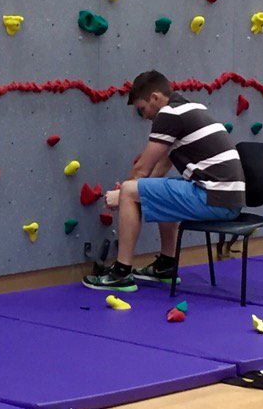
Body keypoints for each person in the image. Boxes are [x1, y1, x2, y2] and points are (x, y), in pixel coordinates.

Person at [83, 70, 245, 292]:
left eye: (142, 109)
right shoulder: (191, 109)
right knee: (159, 189)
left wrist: (124, 195)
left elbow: (143, 168)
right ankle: (166, 266)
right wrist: (135, 191)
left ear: (155, 98)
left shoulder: (169, 114)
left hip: (215, 198)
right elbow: (161, 168)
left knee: (133, 190)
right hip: (226, 199)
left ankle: (121, 273)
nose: (144, 116)